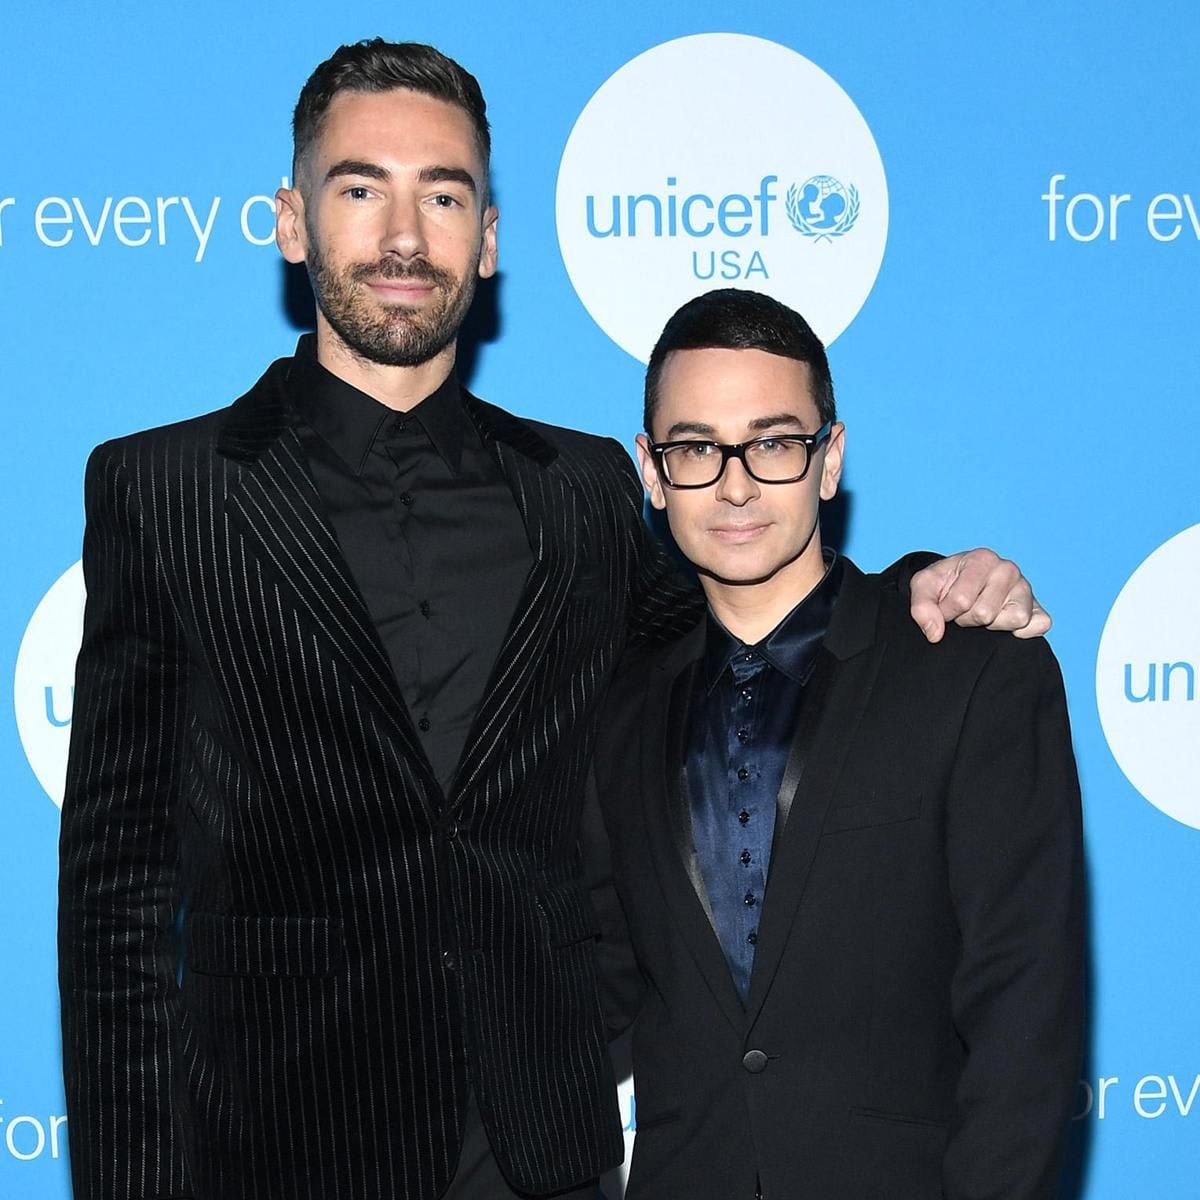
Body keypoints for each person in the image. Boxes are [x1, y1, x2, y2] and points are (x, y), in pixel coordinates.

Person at [58, 39, 1048, 1200]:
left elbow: (748, 615)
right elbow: (116, 893)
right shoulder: (163, 489)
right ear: (290, 221)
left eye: (444, 194)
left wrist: (925, 581)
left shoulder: (582, 492)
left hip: (538, 1151)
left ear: (487, 237)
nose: (402, 235)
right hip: (274, 1146)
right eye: (359, 187)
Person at [593, 288, 1085, 1200]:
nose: (735, 483)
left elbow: (1025, 1013)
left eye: (774, 443)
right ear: (652, 472)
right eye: (697, 447)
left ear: (830, 459)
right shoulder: (619, 713)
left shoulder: (968, 673)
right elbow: (593, 988)